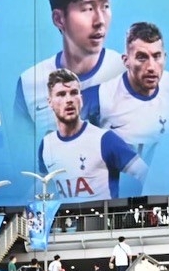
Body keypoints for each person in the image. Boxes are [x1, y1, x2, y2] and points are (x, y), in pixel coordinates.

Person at [17, 0, 123, 126]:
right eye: (88, 8)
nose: (100, 20)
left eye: (105, 7)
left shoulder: (127, 72)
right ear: (59, 19)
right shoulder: (29, 84)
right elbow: (20, 145)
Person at [39, 69, 146, 204]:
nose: (69, 100)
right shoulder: (46, 145)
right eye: (61, 94)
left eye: (74, 93)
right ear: (50, 102)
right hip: (66, 221)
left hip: (103, 220)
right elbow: (42, 187)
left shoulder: (105, 139)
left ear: (81, 99)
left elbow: (145, 174)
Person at [95, 22, 169, 157]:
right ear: (126, 60)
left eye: (157, 56)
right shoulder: (101, 96)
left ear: (165, 57)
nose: (151, 66)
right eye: (142, 57)